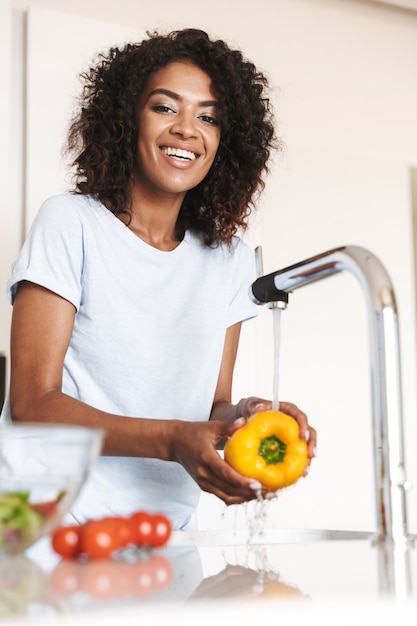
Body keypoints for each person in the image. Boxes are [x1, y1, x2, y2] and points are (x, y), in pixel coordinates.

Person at [1, 28, 316, 531]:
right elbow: (33, 404)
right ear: (127, 118)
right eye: (165, 108)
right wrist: (172, 439)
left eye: (208, 117)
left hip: (162, 529)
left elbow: (213, 403)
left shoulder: (228, 259)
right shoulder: (71, 223)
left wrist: (248, 415)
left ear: (225, 142)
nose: (188, 129)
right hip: (45, 523)